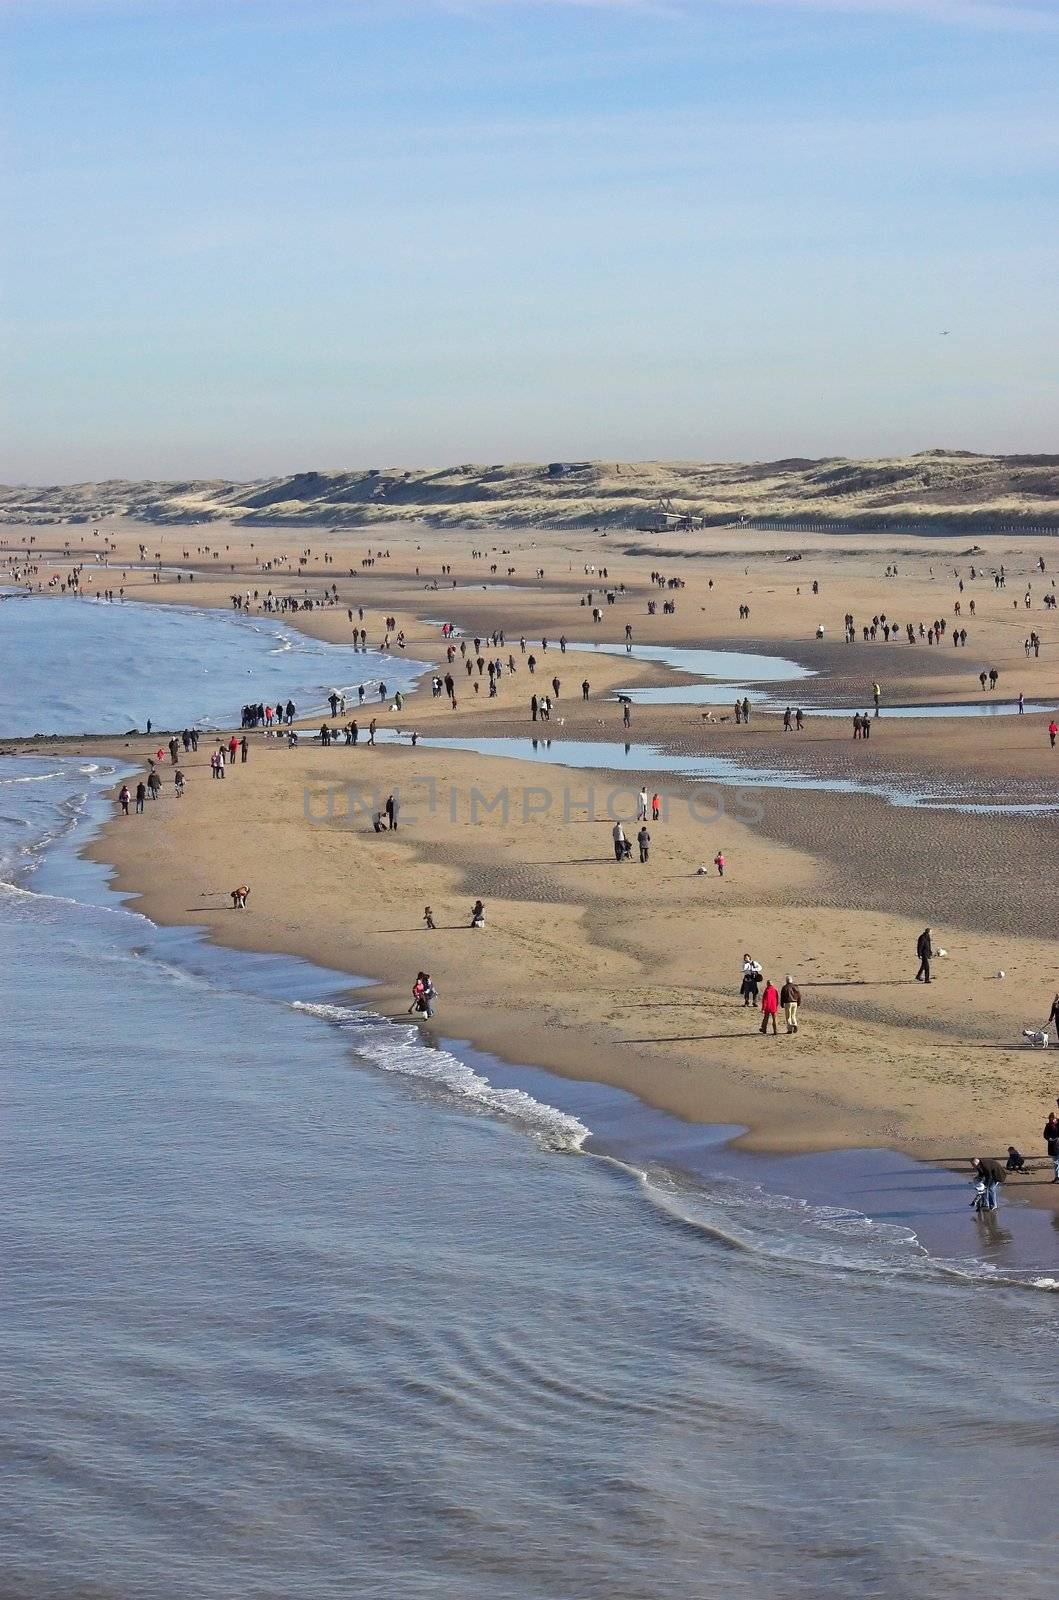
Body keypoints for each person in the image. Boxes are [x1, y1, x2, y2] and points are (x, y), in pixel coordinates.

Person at [1044, 1112, 1059, 1182]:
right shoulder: (1048, 1125)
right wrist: (1048, 1138)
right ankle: (1057, 1177)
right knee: (1056, 1163)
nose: (1053, 1118)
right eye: (1051, 1117)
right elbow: (1045, 1135)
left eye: (1054, 1117)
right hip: (1053, 1146)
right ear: (1049, 1118)